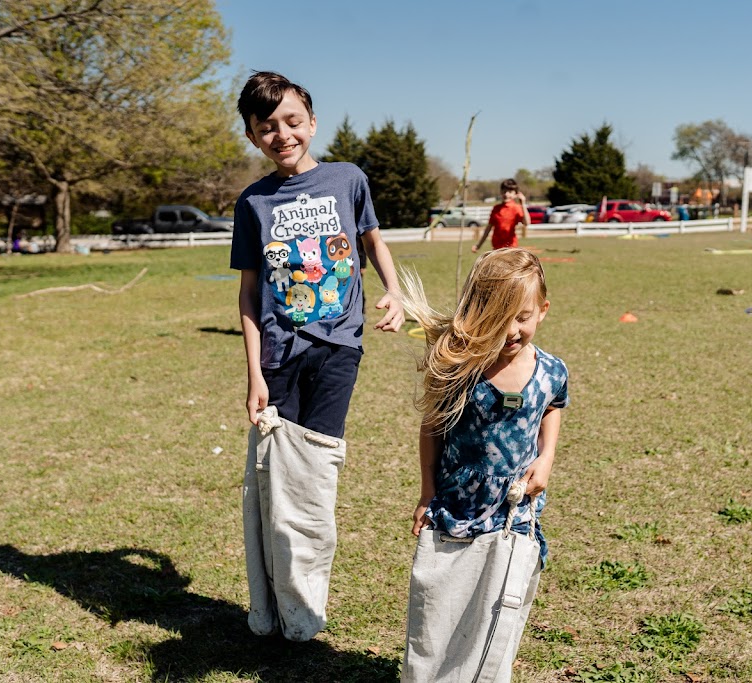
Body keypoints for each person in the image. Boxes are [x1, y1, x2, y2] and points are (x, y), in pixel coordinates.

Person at [230, 71, 404, 641]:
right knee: (275, 478)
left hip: (338, 350)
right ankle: (273, 605)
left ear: (311, 120)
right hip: (278, 358)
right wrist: (254, 373)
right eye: (266, 128)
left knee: (315, 476)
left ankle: (304, 607)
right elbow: (250, 294)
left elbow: (373, 239)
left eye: (291, 121)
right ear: (254, 136)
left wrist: (394, 291)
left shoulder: (346, 180)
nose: (282, 135)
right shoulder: (252, 202)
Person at [399, 248, 569, 683]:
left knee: (502, 598)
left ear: (543, 311)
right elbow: (432, 427)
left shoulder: (551, 371)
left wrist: (546, 458)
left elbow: (553, 406)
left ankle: (487, 674)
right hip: (457, 504)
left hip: (517, 509)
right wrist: (426, 493)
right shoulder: (460, 366)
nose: (511, 331)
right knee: (444, 599)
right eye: (499, 318)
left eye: (523, 317)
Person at [471, 178, 530, 253]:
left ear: (516, 194)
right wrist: (478, 245)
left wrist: (523, 204)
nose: (506, 194)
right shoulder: (496, 209)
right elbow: (488, 229)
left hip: (511, 247)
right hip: (497, 247)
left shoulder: (516, 208)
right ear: (501, 192)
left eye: (510, 192)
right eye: (504, 191)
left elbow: (527, 222)